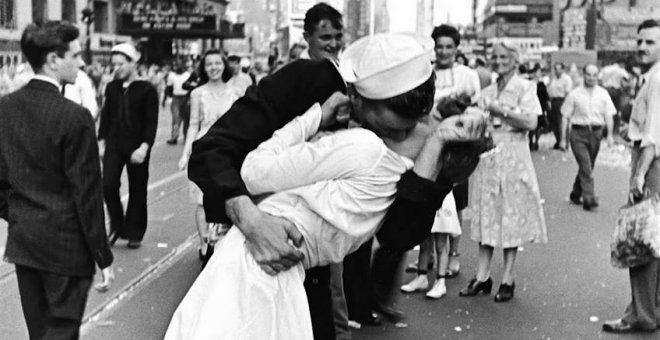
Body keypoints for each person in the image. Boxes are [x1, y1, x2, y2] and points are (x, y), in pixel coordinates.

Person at [165, 33, 488, 340]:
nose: (405, 136)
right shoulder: (306, 83)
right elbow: (212, 150)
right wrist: (250, 219)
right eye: (397, 125)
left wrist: (441, 154)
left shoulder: (407, 132)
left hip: (308, 282)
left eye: (415, 125)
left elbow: (400, 232)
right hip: (258, 260)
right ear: (355, 96)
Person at [0, 21, 114, 339]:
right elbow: (87, 194)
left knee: (40, 333)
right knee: (62, 331)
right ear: (53, 59)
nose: (81, 62)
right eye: (75, 55)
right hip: (67, 247)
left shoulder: (4, 109)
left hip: (25, 244)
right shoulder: (75, 117)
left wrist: (22, 214)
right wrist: (102, 256)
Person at [460, 42, 547, 303]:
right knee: (487, 213)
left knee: (511, 214)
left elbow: (531, 122)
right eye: (494, 57)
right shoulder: (486, 90)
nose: (497, 61)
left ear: (514, 59)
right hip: (488, 157)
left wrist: (500, 111)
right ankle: (482, 276)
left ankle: (508, 278)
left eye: (502, 57)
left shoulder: (525, 87)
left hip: (514, 157)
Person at [401, 23, 481, 298]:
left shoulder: (468, 75)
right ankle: (426, 259)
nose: (445, 51)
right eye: (440, 47)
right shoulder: (425, 74)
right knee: (425, 199)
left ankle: (454, 254)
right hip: (427, 141)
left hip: (457, 147)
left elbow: (475, 112)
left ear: (457, 49)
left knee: (454, 203)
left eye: (449, 46)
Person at [602, 19, 660, 334]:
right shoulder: (649, 77)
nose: (641, 47)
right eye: (640, 41)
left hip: (651, 163)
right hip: (651, 158)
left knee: (641, 240)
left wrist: (638, 176)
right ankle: (652, 308)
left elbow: (652, 135)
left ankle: (642, 314)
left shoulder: (657, 79)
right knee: (655, 239)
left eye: (650, 42)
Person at [177, 49, 238, 263]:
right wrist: (186, 154)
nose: (213, 68)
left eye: (217, 63)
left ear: (224, 66)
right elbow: (193, 124)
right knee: (202, 201)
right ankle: (204, 244)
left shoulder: (235, 92)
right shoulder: (197, 93)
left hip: (228, 150)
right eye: (209, 64)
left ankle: (222, 243)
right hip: (203, 149)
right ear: (203, 68)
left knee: (226, 200)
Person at [98, 43, 159, 249]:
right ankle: (117, 225)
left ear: (133, 63)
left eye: (121, 64)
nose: (117, 68)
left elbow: (152, 122)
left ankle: (135, 232)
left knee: (137, 189)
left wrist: (144, 147)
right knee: (108, 185)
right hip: (114, 144)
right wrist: (101, 141)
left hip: (137, 146)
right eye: (114, 64)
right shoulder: (112, 87)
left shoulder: (147, 89)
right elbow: (106, 116)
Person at [560, 64, 615, 211]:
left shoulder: (603, 94)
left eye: (594, 75)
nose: (591, 78)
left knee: (588, 166)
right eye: (588, 75)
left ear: (598, 76)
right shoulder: (574, 94)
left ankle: (576, 193)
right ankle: (589, 198)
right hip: (578, 133)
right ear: (583, 75)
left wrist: (609, 135)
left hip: (596, 134)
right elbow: (565, 116)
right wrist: (563, 139)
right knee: (585, 166)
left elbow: (609, 115)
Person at [547, 62, 573, 150]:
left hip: (562, 101)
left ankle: (565, 142)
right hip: (554, 101)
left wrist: (566, 105)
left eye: (559, 69)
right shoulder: (554, 79)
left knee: (562, 122)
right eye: (556, 69)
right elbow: (550, 91)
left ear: (563, 69)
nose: (557, 71)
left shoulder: (566, 79)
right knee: (554, 123)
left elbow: (568, 93)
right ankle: (558, 141)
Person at [166, 61, 191, 145]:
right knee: (176, 119)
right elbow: (169, 88)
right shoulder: (171, 76)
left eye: (180, 65)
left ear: (183, 67)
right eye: (176, 65)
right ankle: (174, 137)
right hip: (176, 98)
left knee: (186, 119)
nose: (178, 67)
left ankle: (187, 137)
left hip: (186, 98)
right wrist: (167, 97)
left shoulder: (188, 75)